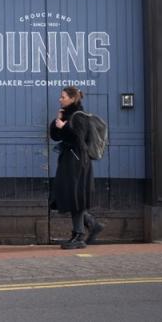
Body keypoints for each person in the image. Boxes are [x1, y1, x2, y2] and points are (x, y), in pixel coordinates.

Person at [49, 86, 105, 249]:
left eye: (63, 96)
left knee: (75, 197)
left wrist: (64, 127)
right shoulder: (67, 115)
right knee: (70, 196)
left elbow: (79, 141)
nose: (60, 99)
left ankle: (79, 236)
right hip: (69, 160)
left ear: (73, 99)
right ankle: (91, 225)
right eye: (61, 97)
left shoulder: (79, 117)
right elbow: (55, 137)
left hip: (77, 162)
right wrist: (57, 123)